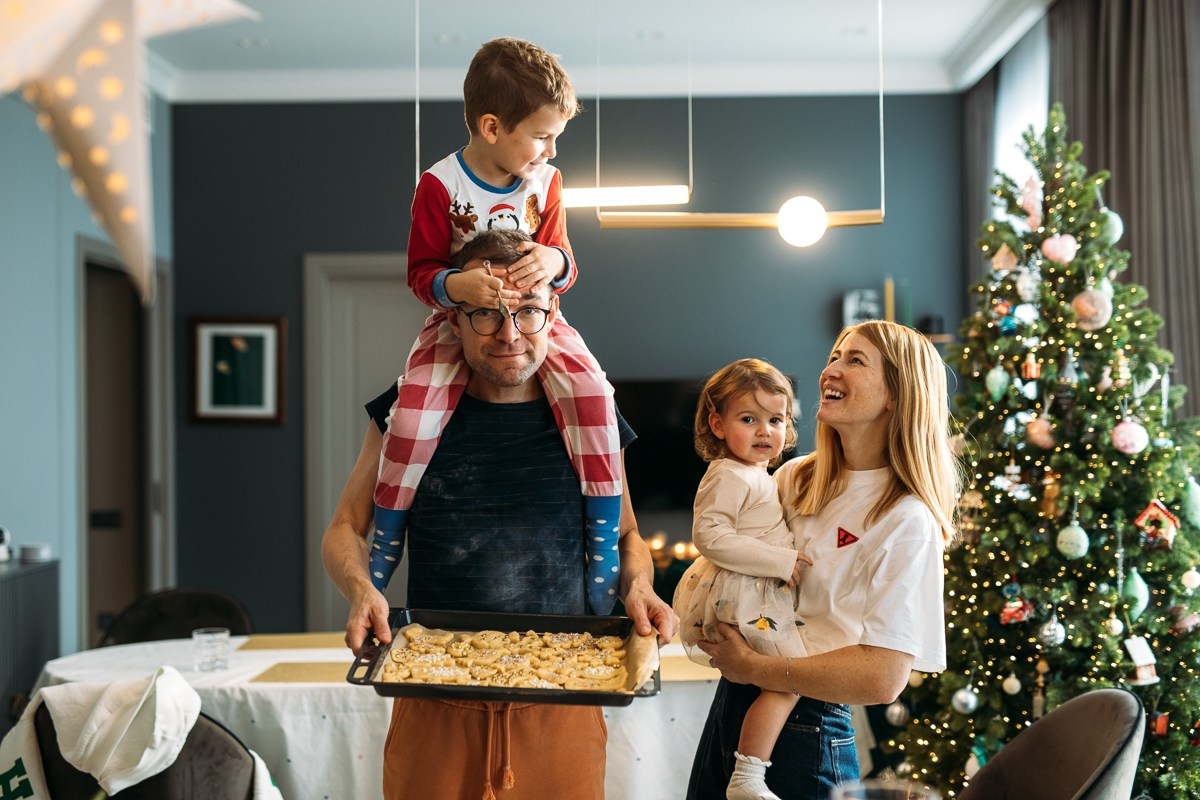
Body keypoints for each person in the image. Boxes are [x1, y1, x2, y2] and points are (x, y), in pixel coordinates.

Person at [321, 230, 678, 800]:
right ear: (454, 319)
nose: (510, 335)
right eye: (487, 314)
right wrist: (362, 590)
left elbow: (629, 533)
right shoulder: (406, 413)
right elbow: (346, 528)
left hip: (565, 695)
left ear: (551, 311)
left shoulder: (590, 418)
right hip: (434, 692)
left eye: (528, 312)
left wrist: (639, 588)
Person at [372, 37, 624, 615]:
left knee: (595, 397)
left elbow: (565, 258)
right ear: (491, 127)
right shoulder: (439, 186)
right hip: (459, 322)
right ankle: (384, 545)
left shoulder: (547, 183)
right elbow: (420, 272)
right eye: (540, 135)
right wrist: (455, 287)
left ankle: (603, 552)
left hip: (538, 321)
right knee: (410, 417)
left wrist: (554, 262)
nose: (551, 148)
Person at [688, 321, 962, 800]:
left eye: (854, 360)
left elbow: (882, 678)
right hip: (733, 711)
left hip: (808, 733)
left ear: (898, 393)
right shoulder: (795, 477)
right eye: (834, 355)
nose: (830, 369)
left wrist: (755, 668)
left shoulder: (906, 519)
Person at [673, 358, 814, 800]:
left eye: (775, 420)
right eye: (748, 419)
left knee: (783, 680)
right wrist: (781, 561)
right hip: (745, 592)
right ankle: (747, 776)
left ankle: (747, 772)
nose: (763, 432)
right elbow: (709, 536)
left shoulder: (757, 474)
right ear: (717, 424)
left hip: (754, 592)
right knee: (790, 678)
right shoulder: (728, 474)